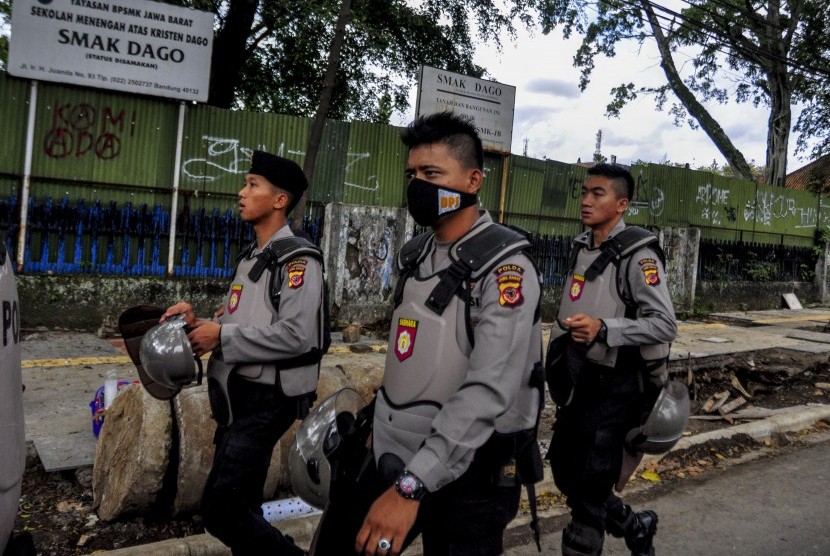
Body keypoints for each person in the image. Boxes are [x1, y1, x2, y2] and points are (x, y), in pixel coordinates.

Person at [311, 111, 544, 556]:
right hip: (392, 451)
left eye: (432, 174)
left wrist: (411, 487)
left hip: (470, 472)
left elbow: (490, 387)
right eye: (412, 174)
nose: (418, 185)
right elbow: (411, 355)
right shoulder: (416, 255)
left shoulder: (505, 266)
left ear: (473, 180)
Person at [161, 150, 326, 556]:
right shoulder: (252, 258)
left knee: (221, 509)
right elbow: (240, 320)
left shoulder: (299, 261)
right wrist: (198, 323)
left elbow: (297, 336)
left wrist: (223, 337)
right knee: (245, 507)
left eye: (252, 184)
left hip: (268, 401)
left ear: (279, 200)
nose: (241, 192)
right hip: (239, 398)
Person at [547, 163, 677, 556]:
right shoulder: (581, 246)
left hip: (617, 387)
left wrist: (606, 328)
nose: (586, 200)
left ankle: (590, 540)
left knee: (589, 494)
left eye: (598, 193)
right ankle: (636, 527)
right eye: (584, 192)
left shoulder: (640, 256)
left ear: (621, 204)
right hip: (579, 381)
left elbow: (664, 325)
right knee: (568, 473)